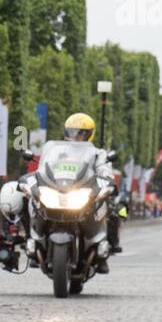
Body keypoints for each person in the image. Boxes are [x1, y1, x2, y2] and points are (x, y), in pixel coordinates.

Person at [61, 111, 123, 265]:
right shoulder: (59, 151)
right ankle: (35, 242)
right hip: (62, 190)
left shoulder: (97, 153)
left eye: (80, 133)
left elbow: (104, 169)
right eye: (72, 132)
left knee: (111, 210)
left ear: (89, 134)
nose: (75, 136)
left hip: (87, 192)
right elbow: (47, 166)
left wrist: (107, 180)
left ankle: (105, 250)